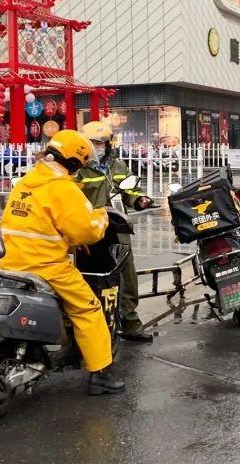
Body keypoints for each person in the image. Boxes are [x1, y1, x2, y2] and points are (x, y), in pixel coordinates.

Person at [0, 129, 125, 395]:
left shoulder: (27, 181)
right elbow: (85, 231)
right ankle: (101, 374)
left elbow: (38, 225)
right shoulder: (61, 187)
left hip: (12, 263)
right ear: (74, 160)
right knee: (88, 309)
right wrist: (101, 217)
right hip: (48, 267)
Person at [76, 121, 154, 343]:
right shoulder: (78, 168)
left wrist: (139, 199)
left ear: (109, 144)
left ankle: (131, 325)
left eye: (101, 143)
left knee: (127, 278)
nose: (97, 147)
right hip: (89, 231)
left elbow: (129, 189)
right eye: (93, 143)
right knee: (87, 279)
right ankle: (87, 327)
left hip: (117, 228)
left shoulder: (116, 166)